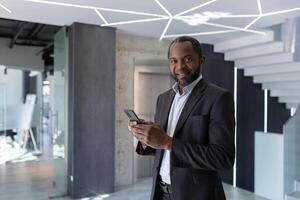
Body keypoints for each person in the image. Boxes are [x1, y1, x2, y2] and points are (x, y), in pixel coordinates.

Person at [128, 36, 235, 200]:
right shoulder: (163, 99)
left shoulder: (219, 98)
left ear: (201, 60)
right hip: (161, 193)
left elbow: (223, 158)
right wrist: (146, 137)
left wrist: (167, 142)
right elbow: (164, 150)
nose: (180, 67)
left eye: (188, 59)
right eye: (173, 61)